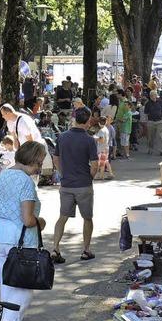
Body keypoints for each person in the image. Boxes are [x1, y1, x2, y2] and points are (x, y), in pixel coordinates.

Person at [0, 141, 48, 321]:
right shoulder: (25, 182)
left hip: (0, 235)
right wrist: (41, 222)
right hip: (20, 239)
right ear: (32, 160)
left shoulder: (2, 175)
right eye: (39, 163)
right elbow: (28, 219)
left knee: (8, 284)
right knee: (24, 288)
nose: (40, 167)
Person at [52, 107, 98, 264]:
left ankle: (55, 248)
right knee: (87, 218)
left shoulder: (62, 137)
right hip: (83, 184)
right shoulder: (89, 140)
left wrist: (62, 173)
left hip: (66, 184)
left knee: (62, 217)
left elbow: (56, 158)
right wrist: (89, 177)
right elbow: (94, 165)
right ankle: (86, 249)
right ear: (88, 120)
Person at [144, 90, 162, 155]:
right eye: (151, 95)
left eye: (154, 95)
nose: (153, 96)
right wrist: (147, 122)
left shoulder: (160, 102)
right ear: (150, 96)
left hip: (159, 121)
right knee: (151, 137)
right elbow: (146, 114)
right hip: (151, 121)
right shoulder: (147, 103)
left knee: (160, 136)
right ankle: (150, 148)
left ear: (156, 95)